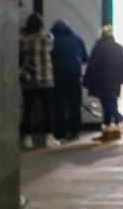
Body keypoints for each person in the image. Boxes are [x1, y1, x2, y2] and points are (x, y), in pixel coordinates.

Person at [83, 26, 123, 142]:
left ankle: (114, 124)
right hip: (116, 82)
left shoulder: (99, 48)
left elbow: (92, 66)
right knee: (111, 103)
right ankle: (112, 130)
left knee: (107, 105)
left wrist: (86, 81)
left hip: (102, 82)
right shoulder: (119, 48)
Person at [19, 13, 55, 149]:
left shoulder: (22, 38)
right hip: (46, 79)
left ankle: (27, 138)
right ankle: (49, 138)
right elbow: (51, 48)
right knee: (47, 110)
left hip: (29, 80)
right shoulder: (48, 37)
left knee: (28, 110)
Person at [49, 19, 88, 140]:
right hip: (74, 75)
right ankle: (75, 131)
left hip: (57, 76)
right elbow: (85, 58)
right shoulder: (77, 39)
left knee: (58, 105)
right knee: (74, 104)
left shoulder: (51, 39)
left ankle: (60, 132)